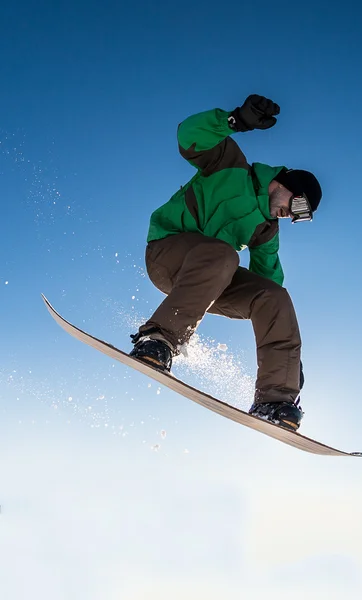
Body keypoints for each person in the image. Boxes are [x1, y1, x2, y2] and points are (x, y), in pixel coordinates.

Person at [129, 94, 322, 431]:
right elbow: (188, 136)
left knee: (275, 299)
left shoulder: (265, 229)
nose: (292, 215)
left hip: (210, 279)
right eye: (299, 206)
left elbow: (270, 285)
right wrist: (234, 121)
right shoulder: (230, 164)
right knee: (223, 254)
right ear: (284, 184)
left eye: (302, 217)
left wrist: (290, 358)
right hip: (167, 254)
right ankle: (158, 340)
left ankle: (274, 400)